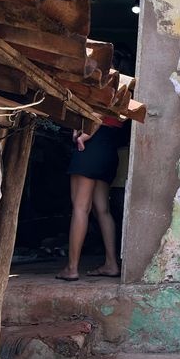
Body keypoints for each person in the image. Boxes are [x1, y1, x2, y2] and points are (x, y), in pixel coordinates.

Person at [55, 115, 127, 281]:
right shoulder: (123, 99)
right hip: (109, 148)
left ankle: (72, 268)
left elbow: (96, 115)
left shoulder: (103, 94)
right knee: (103, 210)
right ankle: (111, 263)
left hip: (90, 147)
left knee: (81, 208)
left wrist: (85, 132)